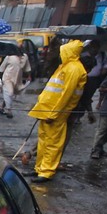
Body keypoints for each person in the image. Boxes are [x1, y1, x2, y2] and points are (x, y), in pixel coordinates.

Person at [26, 39, 87, 183]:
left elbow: (66, 95)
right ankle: (39, 168)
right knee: (44, 141)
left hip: (55, 113)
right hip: (47, 111)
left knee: (53, 143)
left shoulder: (74, 69)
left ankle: (46, 171)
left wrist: (54, 113)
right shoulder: (65, 66)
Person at [0, 47, 27, 118]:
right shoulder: (9, 58)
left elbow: (27, 67)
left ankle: (2, 107)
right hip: (7, 78)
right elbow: (1, 68)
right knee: (9, 93)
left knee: (10, 93)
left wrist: (28, 76)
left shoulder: (24, 58)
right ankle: (9, 111)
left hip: (17, 79)